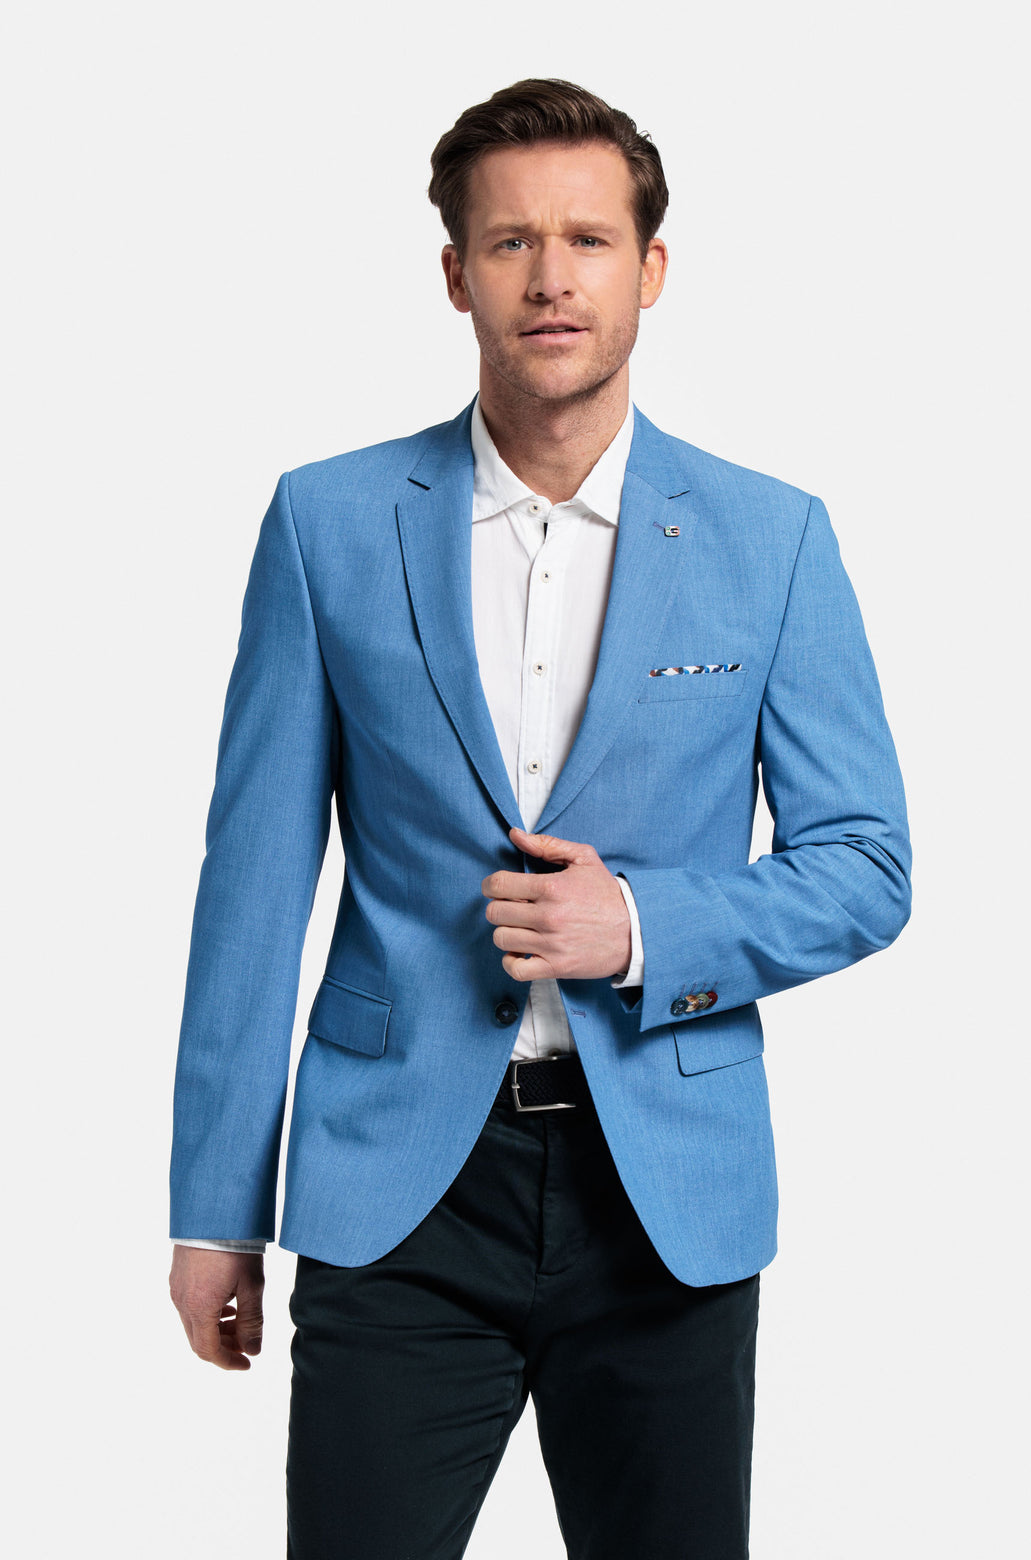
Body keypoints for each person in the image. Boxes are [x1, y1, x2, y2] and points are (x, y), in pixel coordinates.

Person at [169, 77, 912, 1560]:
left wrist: (637, 924)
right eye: (512, 242)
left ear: (652, 268)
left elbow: (866, 867)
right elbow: (253, 885)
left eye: (588, 239)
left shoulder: (773, 539)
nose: (552, 277)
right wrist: (215, 1206)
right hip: (399, 1188)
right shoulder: (328, 523)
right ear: (457, 275)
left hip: (667, 1194)